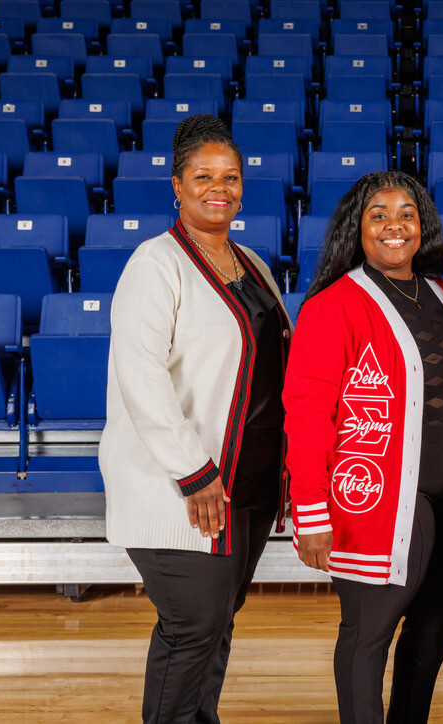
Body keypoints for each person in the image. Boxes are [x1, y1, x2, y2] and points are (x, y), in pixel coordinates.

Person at [100, 114, 291, 724]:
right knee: (194, 624)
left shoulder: (253, 263)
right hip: (183, 485)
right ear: (176, 186)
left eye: (231, 176)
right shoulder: (154, 265)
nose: (220, 187)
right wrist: (193, 472)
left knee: (214, 625)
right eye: (204, 175)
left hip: (248, 483)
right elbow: (142, 378)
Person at [283, 171, 443, 724]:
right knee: (369, 635)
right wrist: (310, 511)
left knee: (433, 629)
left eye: (407, 213)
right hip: (377, 499)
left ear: (424, 225)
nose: (396, 226)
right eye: (379, 215)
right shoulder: (332, 306)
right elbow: (307, 414)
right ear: (356, 228)